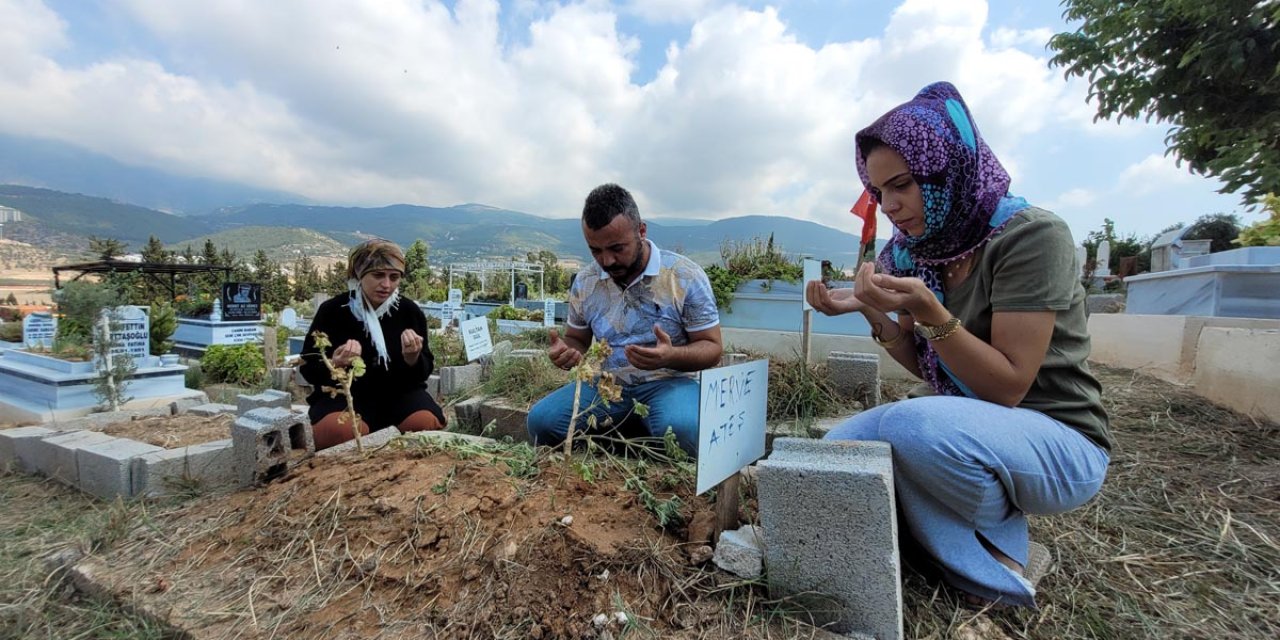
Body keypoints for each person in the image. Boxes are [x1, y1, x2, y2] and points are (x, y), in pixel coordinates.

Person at [806, 82, 1111, 608]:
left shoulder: (1030, 237)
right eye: (879, 192)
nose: (892, 206)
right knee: (832, 458)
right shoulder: (916, 251)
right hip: (970, 427)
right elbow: (926, 368)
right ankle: (934, 538)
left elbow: (1007, 388)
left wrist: (930, 310)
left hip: (1060, 442)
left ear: (946, 167)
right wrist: (870, 309)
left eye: (902, 184)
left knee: (912, 424)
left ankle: (996, 558)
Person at [526, 183, 723, 455]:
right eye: (595, 250)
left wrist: (671, 356)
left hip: (670, 383)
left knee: (683, 429)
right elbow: (577, 339)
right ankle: (602, 458)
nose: (607, 260)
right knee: (542, 422)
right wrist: (568, 352)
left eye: (617, 248)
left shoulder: (684, 276)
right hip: (604, 386)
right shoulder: (586, 281)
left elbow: (712, 348)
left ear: (641, 231)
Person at [300, 238, 446, 450]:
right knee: (340, 431)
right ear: (360, 274)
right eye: (378, 275)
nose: (386, 285)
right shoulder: (333, 311)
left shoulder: (409, 312)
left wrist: (412, 358)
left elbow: (422, 371)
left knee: (423, 423)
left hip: (398, 394)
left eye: (394, 277)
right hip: (344, 396)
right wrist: (335, 363)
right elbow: (309, 365)